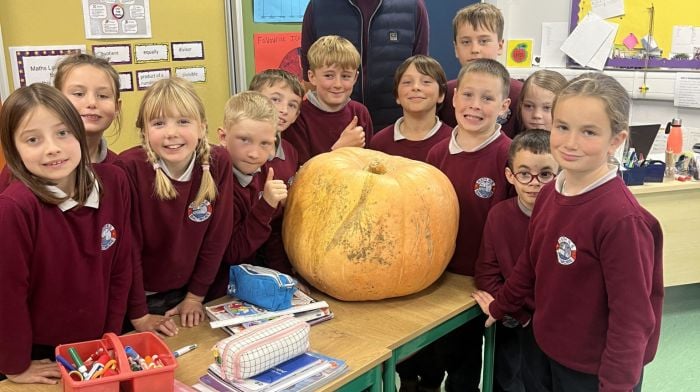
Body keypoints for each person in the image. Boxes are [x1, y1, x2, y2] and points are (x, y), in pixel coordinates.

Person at [473, 73, 664, 392]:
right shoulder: (550, 193)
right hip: (544, 350)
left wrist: (616, 386)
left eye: (589, 131)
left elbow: (632, 320)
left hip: (594, 370)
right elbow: (529, 264)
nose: (570, 142)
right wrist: (501, 305)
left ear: (616, 140)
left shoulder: (622, 220)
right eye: (562, 127)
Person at [0, 83, 132, 384]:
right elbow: (7, 296)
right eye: (33, 139)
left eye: (63, 133)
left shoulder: (114, 182)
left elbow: (120, 266)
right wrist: (16, 365)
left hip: (98, 342)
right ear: (15, 149)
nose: (52, 148)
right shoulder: (14, 208)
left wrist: (110, 335)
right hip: (40, 355)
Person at [117, 77, 234, 336]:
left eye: (183, 121)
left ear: (202, 127)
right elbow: (128, 249)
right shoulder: (128, 169)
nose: (171, 133)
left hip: (190, 291)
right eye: (159, 123)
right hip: (138, 299)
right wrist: (138, 315)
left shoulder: (218, 163)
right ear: (144, 132)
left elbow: (217, 236)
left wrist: (195, 296)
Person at [425, 58, 513, 392]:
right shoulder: (436, 155)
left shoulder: (508, 155)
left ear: (504, 106)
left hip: (486, 283)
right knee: (439, 354)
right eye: (469, 95)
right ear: (455, 96)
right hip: (439, 278)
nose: (475, 106)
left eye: (487, 99)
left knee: (468, 369)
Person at [474, 129, 559, 392]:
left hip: (555, 328)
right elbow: (486, 273)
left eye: (545, 174)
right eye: (524, 174)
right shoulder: (499, 216)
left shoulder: (566, 220)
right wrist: (518, 315)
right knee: (508, 381)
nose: (534, 182)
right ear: (510, 175)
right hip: (513, 322)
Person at [0, 53, 122, 191]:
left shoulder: (118, 167)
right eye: (78, 94)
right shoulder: (23, 167)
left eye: (103, 96)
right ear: (57, 100)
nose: (92, 103)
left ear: (117, 107)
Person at [300, 0, 429, 130]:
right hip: (333, 128)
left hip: (395, 126)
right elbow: (309, 72)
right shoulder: (318, 6)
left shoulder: (413, 5)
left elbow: (420, 68)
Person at [207, 91, 286, 300]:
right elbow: (232, 253)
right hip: (214, 294)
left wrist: (286, 279)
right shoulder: (212, 182)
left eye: (265, 144)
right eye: (245, 140)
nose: (254, 153)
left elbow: (274, 236)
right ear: (223, 137)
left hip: (251, 287)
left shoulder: (265, 173)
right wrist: (266, 205)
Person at [284, 35, 373, 165]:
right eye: (329, 75)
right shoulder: (299, 116)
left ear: (355, 78)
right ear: (312, 76)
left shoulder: (360, 112)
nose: (338, 84)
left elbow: (370, 163)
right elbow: (301, 173)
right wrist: (339, 149)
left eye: (346, 76)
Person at [438, 3, 523, 139]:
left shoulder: (520, 94)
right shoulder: (445, 94)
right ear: (456, 48)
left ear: (500, 46)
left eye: (483, 41)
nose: (475, 49)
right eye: (466, 42)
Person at [248, 69, 303, 275]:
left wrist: (284, 273)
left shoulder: (290, 152)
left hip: (274, 252)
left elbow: (279, 219)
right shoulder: (240, 155)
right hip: (240, 251)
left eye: (292, 105)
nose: (283, 110)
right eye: (275, 100)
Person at [369, 55, 452, 163]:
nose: (415, 87)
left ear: (441, 94)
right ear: (397, 96)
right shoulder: (379, 142)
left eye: (426, 81)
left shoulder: (454, 141)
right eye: (407, 82)